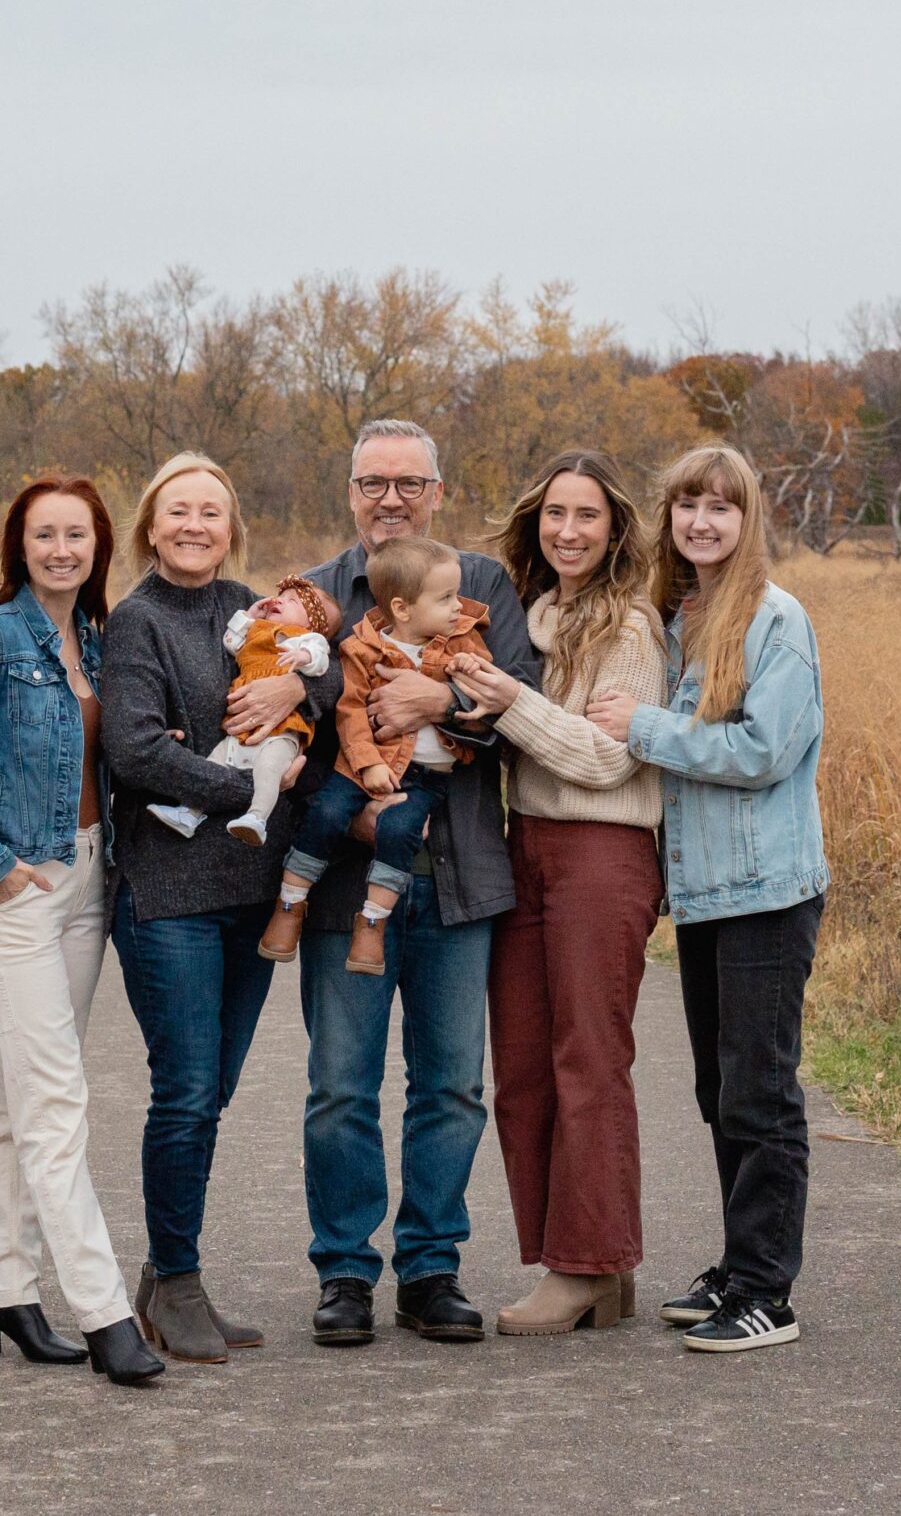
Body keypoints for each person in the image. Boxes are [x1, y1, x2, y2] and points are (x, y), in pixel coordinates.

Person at [0, 476, 164, 1386]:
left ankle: (2, 1291)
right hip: (12, 889)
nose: (63, 550)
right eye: (45, 535)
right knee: (56, 1099)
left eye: (78, 535)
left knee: (21, 1100)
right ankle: (104, 1314)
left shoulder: (96, 637)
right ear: (20, 545)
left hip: (87, 881)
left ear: (99, 545)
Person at [290, 420, 541, 1347]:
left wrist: (445, 703)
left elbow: (521, 702)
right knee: (339, 1085)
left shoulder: (481, 586)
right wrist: (346, 805)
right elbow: (291, 733)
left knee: (451, 1086)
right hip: (347, 883)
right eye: (372, 483)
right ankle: (346, 1272)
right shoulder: (314, 597)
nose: (390, 499)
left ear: (439, 490)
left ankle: (431, 1268)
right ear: (349, 491)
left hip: (462, 877)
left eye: (409, 483)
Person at [586, 442, 829, 1354]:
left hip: (767, 891)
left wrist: (644, 729)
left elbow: (763, 753)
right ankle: (737, 1265)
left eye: (721, 508)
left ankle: (770, 1291)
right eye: (687, 505)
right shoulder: (678, 616)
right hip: (705, 898)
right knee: (718, 1090)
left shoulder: (776, 620)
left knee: (760, 1094)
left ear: (747, 518)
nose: (701, 522)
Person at [101, 452, 322, 1366]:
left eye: (212, 513)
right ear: (152, 527)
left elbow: (324, 674)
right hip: (169, 899)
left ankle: (164, 1279)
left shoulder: (250, 610)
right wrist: (245, 790)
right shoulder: (136, 621)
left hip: (248, 896)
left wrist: (300, 692)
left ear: (232, 527)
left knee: (213, 1092)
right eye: (177, 511)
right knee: (185, 1092)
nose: (195, 525)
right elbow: (137, 752)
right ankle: (179, 1278)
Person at [450, 450, 668, 1337]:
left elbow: (607, 758)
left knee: (588, 1059)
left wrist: (507, 703)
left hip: (603, 853)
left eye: (587, 515)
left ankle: (586, 1266)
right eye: (554, 515)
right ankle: (582, 1261)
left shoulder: (631, 631)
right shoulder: (528, 618)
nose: (568, 531)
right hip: (525, 846)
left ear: (615, 528)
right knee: (525, 1066)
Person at [262, 535, 493, 976]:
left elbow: (489, 688)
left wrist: (461, 679)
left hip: (426, 775)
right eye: (446, 599)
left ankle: (372, 921)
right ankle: (290, 903)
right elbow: (349, 710)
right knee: (327, 813)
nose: (458, 608)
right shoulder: (361, 649)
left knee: (401, 831)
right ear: (403, 609)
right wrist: (367, 762)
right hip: (361, 765)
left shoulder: (462, 641)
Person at [144, 574, 339, 846]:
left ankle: (257, 817)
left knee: (270, 769)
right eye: (280, 597)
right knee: (214, 761)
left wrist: (303, 659)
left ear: (313, 622)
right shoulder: (257, 630)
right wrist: (248, 616)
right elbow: (231, 642)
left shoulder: (305, 639)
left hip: (282, 729)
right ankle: (190, 812)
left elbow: (321, 661)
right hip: (241, 726)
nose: (280, 601)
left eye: (293, 601)